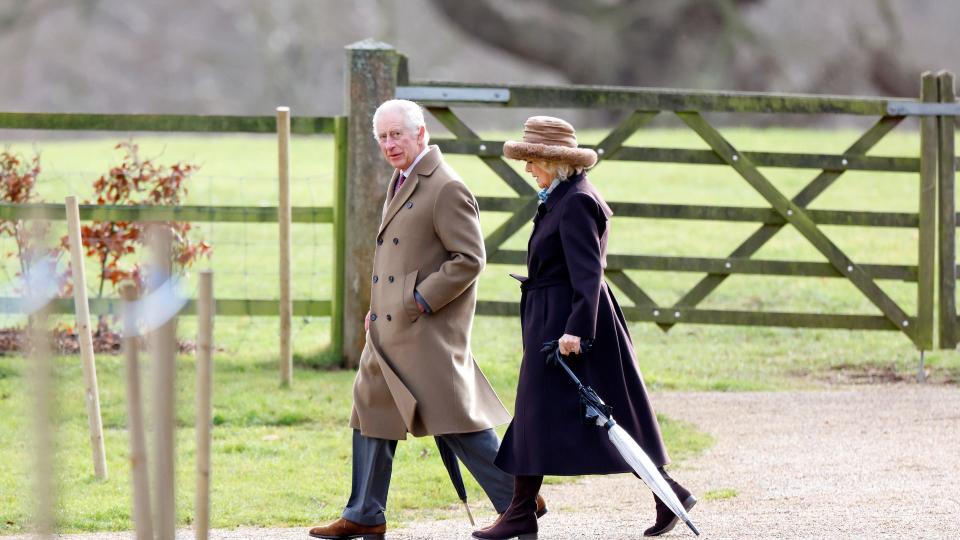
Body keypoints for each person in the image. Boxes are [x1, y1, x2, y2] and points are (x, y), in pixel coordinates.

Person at [308, 99, 544, 540]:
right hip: (387, 328)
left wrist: (417, 300)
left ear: (421, 134)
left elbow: (470, 258)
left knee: (456, 422)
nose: (389, 144)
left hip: (426, 330)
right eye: (382, 136)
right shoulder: (401, 180)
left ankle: (519, 500)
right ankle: (364, 512)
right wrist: (378, 309)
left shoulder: (446, 186)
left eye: (397, 134)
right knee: (371, 408)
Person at [472, 116, 696, 540]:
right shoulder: (561, 196)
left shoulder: (575, 202)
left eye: (532, 160)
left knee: (586, 414)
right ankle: (669, 494)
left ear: (555, 162)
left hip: (569, 326)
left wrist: (575, 331)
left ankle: (521, 514)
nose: (527, 168)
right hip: (555, 318)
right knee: (551, 414)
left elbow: (589, 273)